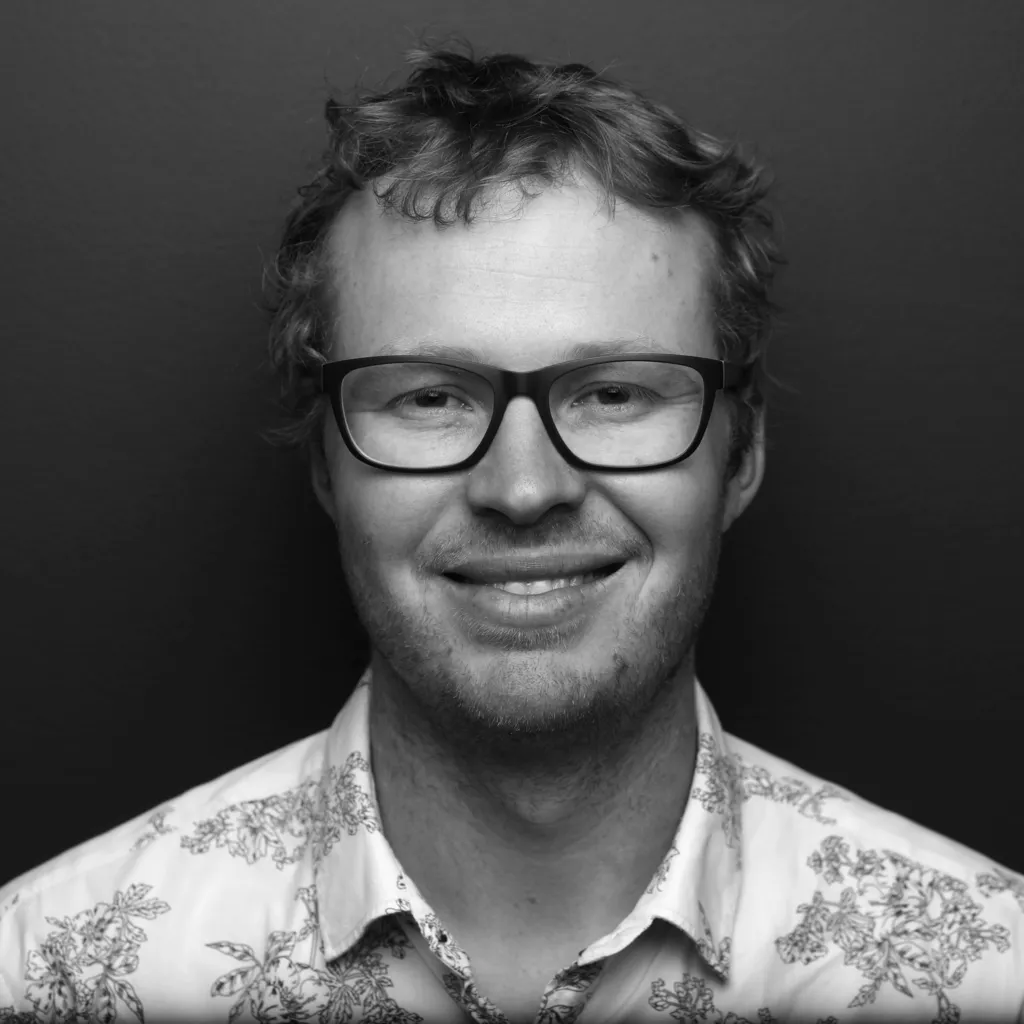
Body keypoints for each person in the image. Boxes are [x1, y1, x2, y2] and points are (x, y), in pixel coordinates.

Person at [1, 45, 1022, 1024]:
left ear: (741, 451)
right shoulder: (46, 972)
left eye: (615, 393)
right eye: (431, 397)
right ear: (326, 462)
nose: (524, 488)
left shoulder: (990, 970)